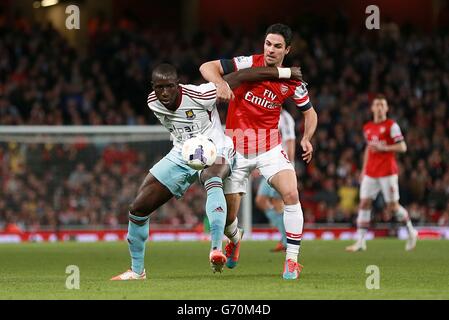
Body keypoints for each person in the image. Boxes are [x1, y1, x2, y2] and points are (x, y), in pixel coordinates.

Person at [111, 63, 303, 280]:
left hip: (217, 148)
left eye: (169, 86)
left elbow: (242, 75)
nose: (164, 92)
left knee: (212, 178)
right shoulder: (153, 102)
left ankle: (215, 249)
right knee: (138, 208)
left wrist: (285, 72)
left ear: (178, 85)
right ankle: (137, 271)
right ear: (152, 87)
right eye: (159, 87)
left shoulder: (199, 94)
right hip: (183, 153)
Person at [199, 23, 318, 280]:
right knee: (230, 217)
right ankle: (235, 238)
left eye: (277, 46)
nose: (270, 50)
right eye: (267, 44)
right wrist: (220, 83)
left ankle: (292, 261)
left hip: (269, 148)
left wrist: (307, 137)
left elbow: (310, 112)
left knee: (290, 192)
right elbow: (206, 67)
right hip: (236, 149)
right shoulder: (247, 63)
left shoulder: (292, 81)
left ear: (287, 49)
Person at [346, 95, 418, 252]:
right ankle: (360, 242)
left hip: (387, 172)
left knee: (392, 207)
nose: (379, 107)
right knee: (364, 203)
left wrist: (385, 148)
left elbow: (403, 147)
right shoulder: (367, 127)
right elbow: (368, 148)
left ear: (386, 108)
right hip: (371, 173)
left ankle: (412, 232)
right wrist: (364, 169)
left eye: (382, 105)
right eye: (376, 104)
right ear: (372, 108)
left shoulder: (392, 126)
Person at [255, 107, 296, 252]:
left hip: (281, 166)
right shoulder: (268, 116)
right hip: (269, 165)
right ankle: (285, 237)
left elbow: (290, 141)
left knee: (278, 202)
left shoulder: (285, 118)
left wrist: (288, 166)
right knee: (261, 200)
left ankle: (287, 241)